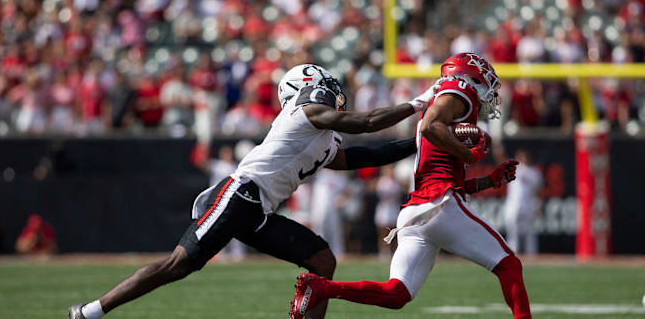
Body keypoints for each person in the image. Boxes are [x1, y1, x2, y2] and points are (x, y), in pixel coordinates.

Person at [68, 63, 440, 319]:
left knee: (323, 261)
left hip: (259, 212)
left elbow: (367, 155)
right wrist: (418, 104)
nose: (327, 94)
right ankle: (90, 312)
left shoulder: (324, 142)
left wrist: (421, 140)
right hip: (238, 195)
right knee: (177, 265)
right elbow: (366, 122)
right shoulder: (304, 115)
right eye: (318, 89)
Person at [290, 54, 532, 319]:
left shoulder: (447, 102)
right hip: (440, 207)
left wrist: (489, 180)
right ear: (470, 75)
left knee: (397, 294)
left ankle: (321, 287)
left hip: (418, 211)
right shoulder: (459, 90)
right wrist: (470, 155)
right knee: (509, 265)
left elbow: (445, 177)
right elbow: (430, 127)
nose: (489, 88)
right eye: (486, 78)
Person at [504, 149, 543, 255]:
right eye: (520, 157)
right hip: (513, 204)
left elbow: (539, 191)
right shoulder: (514, 168)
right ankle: (513, 252)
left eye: (524, 157)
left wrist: (539, 205)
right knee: (512, 230)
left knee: (530, 231)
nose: (522, 159)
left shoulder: (534, 172)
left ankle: (532, 254)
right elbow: (500, 158)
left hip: (528, 204)